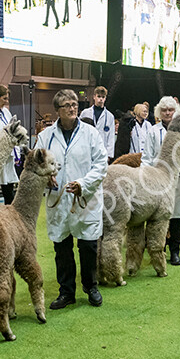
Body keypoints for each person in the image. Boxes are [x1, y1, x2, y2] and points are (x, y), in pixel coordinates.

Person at [35, 90, 108, 309]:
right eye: (67, 105)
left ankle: (90, 286)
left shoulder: (91, 133)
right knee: (62, 248)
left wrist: (83, 184)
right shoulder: (45, 136)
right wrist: (45, 178)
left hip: (85, 198)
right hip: (59, 199)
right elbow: (37, 163)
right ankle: (66, 291)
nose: (72, 108)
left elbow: (100, 164)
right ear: (57, 110)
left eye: (74, 103)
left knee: (88, 246)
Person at [142, 96, 180, 265]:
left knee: (176, 216)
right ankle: (159, 251)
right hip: (157, 180)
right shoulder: (152, 131)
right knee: (157, 217)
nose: (167, 113)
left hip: (177, 178)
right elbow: (146, 156)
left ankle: (175, 251)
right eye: (164, 110)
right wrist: (147, 177)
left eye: (170, 110)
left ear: (175, 111)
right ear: (159, 112)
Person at [80, 86, 115, 160]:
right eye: (98, 96)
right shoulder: (85, 113)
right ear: (94, 97)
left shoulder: (110, 116)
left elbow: (111, 137)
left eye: (103, 97)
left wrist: (109, 155)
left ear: (105, 98)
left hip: (102, 150)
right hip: (86, 148)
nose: (101, 99)